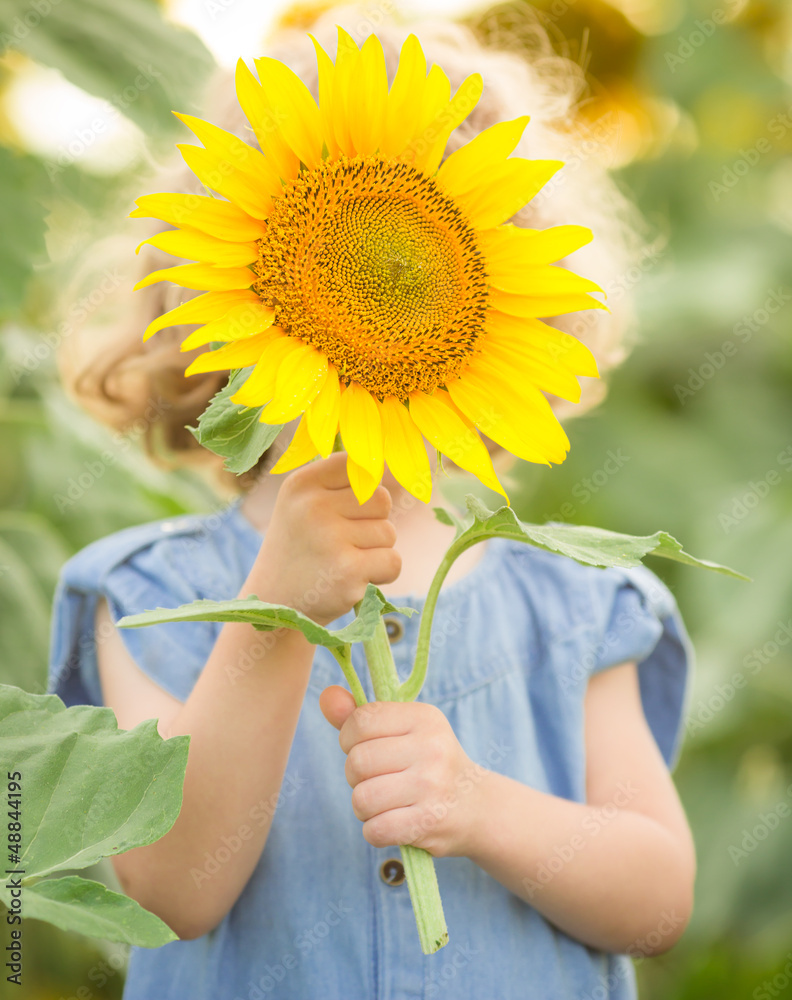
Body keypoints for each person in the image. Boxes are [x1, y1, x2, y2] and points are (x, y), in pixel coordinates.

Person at [48, 5, 695, 998]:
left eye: (421, 265)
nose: (382, 281)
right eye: (344, 257)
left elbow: (655, 902)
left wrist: (478, 808)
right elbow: (174, 885)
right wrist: (273, 615)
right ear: (217, 280)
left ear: (502, 298)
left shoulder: (573, 604)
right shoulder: (149, 596)